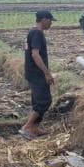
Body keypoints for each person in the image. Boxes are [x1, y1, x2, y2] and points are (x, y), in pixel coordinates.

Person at [20, 10, 56, 140]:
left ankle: (35, 129)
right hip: (37, 73)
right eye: (50, 20)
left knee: (37, 101)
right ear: (44, 19)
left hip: (32, 72)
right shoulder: (37, 33)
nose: (51, 23)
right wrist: (47, 73)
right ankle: (27, 127)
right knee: (44, 101)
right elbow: (35, 54)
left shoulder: (32, 32)